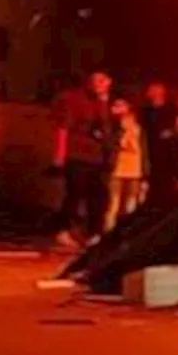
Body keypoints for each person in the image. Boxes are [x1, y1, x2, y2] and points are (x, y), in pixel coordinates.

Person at [52, 70, 115, 248]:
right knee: (75, 193)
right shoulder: (75, 99)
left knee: (99, 196)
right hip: (78, 154)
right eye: (96, 80)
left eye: (103, 80)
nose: (99, 84)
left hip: (98, 157)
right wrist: (60, 154)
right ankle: (63, 230)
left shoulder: (107, 103)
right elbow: (63, 128)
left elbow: (109, 130)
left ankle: (94, 232)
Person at [103, 98, 145, 232]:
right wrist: (122, 133)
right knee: (113, 205)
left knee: (131, 206)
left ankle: (127, 233)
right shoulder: (114, 128)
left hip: (135, 172)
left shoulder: (139, 130)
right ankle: (108, 233)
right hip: (117, 171)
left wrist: (145, 175)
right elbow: (109, 145)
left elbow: (144, 153)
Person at [138, 81, 176, 206]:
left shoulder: (171, 110)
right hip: (149, 153)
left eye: (154, 89)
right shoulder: (145, 111)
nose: (150, 92)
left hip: (167, 155)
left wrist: (171, 132)